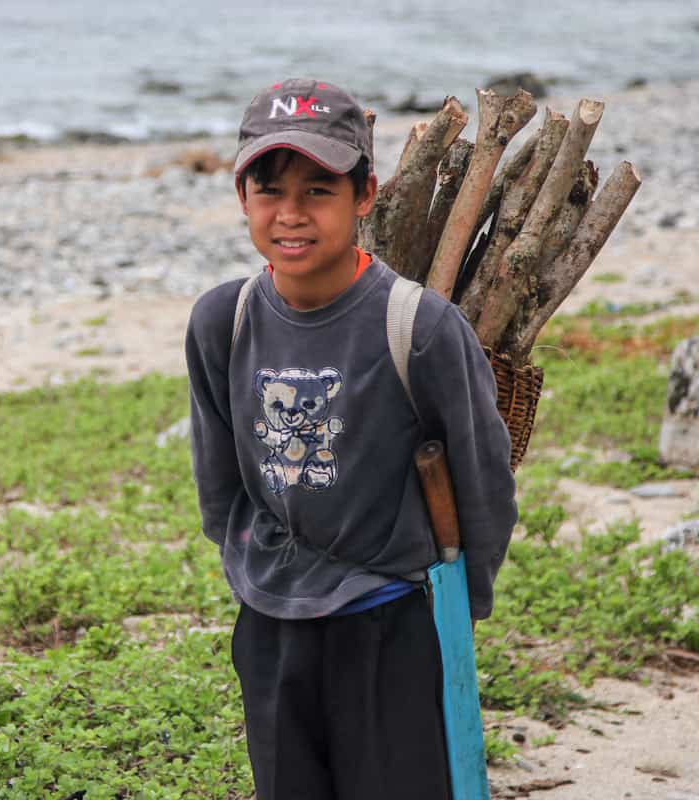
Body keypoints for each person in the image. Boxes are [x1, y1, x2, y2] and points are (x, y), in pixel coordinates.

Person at [184, 78, 518, 800]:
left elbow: (484, 482)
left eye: (319, 190)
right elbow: (219, 485)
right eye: (269, 190)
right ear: (242, 198)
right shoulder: (223, 321)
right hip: (271, 626)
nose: (291, 214)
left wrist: (458, 619)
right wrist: (260, 570)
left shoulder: (418, 329)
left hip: (388, 624)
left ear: (365, 195)